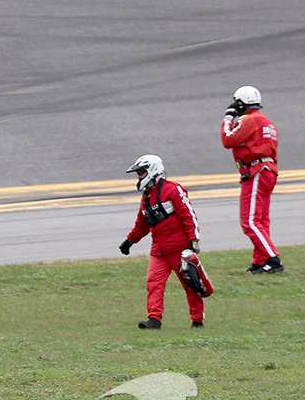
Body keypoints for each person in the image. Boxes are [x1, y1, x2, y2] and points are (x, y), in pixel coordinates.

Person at [118, 155, 204, 329]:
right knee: (154, 283)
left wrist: (194, 239)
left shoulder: (173, 190)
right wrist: (129, 241)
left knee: (190, 284)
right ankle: (154, 319)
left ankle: (197, 320)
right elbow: (142, 224)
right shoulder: (146, 197)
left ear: (152, 170)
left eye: (141, 173)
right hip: (159, 249)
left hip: (179, 248)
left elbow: (188, 215)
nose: (139, 177)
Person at [220, 85, 282, 273]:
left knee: (250, 221)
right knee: (261, 220)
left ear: (241, 104)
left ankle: (272, 259)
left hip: (256, 170)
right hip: (268, 170)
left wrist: (228, 118)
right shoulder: (268, 123)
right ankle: (260, 260)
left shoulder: (249, 120)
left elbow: (227, 140)